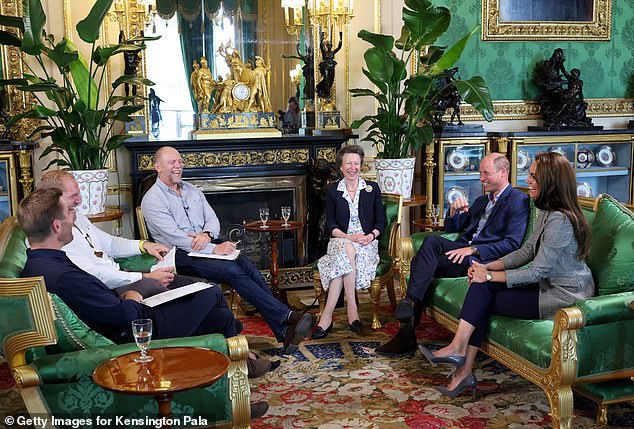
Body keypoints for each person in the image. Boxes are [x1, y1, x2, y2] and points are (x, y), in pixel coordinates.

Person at [19, 188, 272, 417]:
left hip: (126, 317)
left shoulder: (42, 262)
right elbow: (121, 316)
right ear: (56, 226)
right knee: (211, 294)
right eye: (70, 213)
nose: (75, 219)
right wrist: (132, 295)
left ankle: (233, 383)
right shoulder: (62, 275)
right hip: (134, 335)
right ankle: (232, 398)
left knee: (216, 316)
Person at [421, 151, 594, 399]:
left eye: (533, 176)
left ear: (551, 180)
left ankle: (462, 364)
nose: (527, 181)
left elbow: (537, 271)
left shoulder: (560, 220)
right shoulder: (546, 210)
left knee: (484, 292)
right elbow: (525, 252)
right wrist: (487, 267)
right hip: (545, 284)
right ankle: (462, 363)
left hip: (563, 296)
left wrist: (488, 276)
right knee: (481, 286)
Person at [141, 146, 313, 354]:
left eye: (180, 162)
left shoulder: (192, 190)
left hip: (205, 242)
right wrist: (214, 249)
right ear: (157, 166)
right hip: (179, 254)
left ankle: (283, 328)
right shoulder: (152, 200)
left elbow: (212, 219)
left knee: (246, 264)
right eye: (172, 162)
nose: (178, 166)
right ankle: (285, 318)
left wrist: (208, 236)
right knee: (231, 271)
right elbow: (174, 238)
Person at [376, 153, 530, 355]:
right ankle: (408, 317)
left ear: (503, 173)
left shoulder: (518, 200)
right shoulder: (483, 200)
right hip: (462, 250)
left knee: (421, 260)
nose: (481, 178)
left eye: (486, 173)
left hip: (481, 260)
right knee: (425, 255)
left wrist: (474, 249)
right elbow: (454, 227)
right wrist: (453, 212)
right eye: (480, 173)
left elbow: (512, 244)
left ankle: (407, 325)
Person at [312, 145, 386, 339]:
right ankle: (352, 309)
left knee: (344, 257)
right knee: (346, 248)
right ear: (341, 167)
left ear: (360, 165)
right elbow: (331, 226)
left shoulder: (372, 189)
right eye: (348, 164)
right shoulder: (333, 190)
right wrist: (348, 237)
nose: (352, 167)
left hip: (366, 243)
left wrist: (370, 236)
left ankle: (326, 318)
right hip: (340, 240)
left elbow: (381, 222)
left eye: (356, 163)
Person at [316, 31, 342, 100]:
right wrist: (321, 38)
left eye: (331, 45)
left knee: (331, 80)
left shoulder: (333, 52)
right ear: (327, 46)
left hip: (332, 67)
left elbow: (339, 47)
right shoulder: (325, 52)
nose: (330, 46)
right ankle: (327, 96)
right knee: (326, 80)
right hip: (326, 68)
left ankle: (327, 94)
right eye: (328, 45)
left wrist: (340, 37)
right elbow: (321, 46)